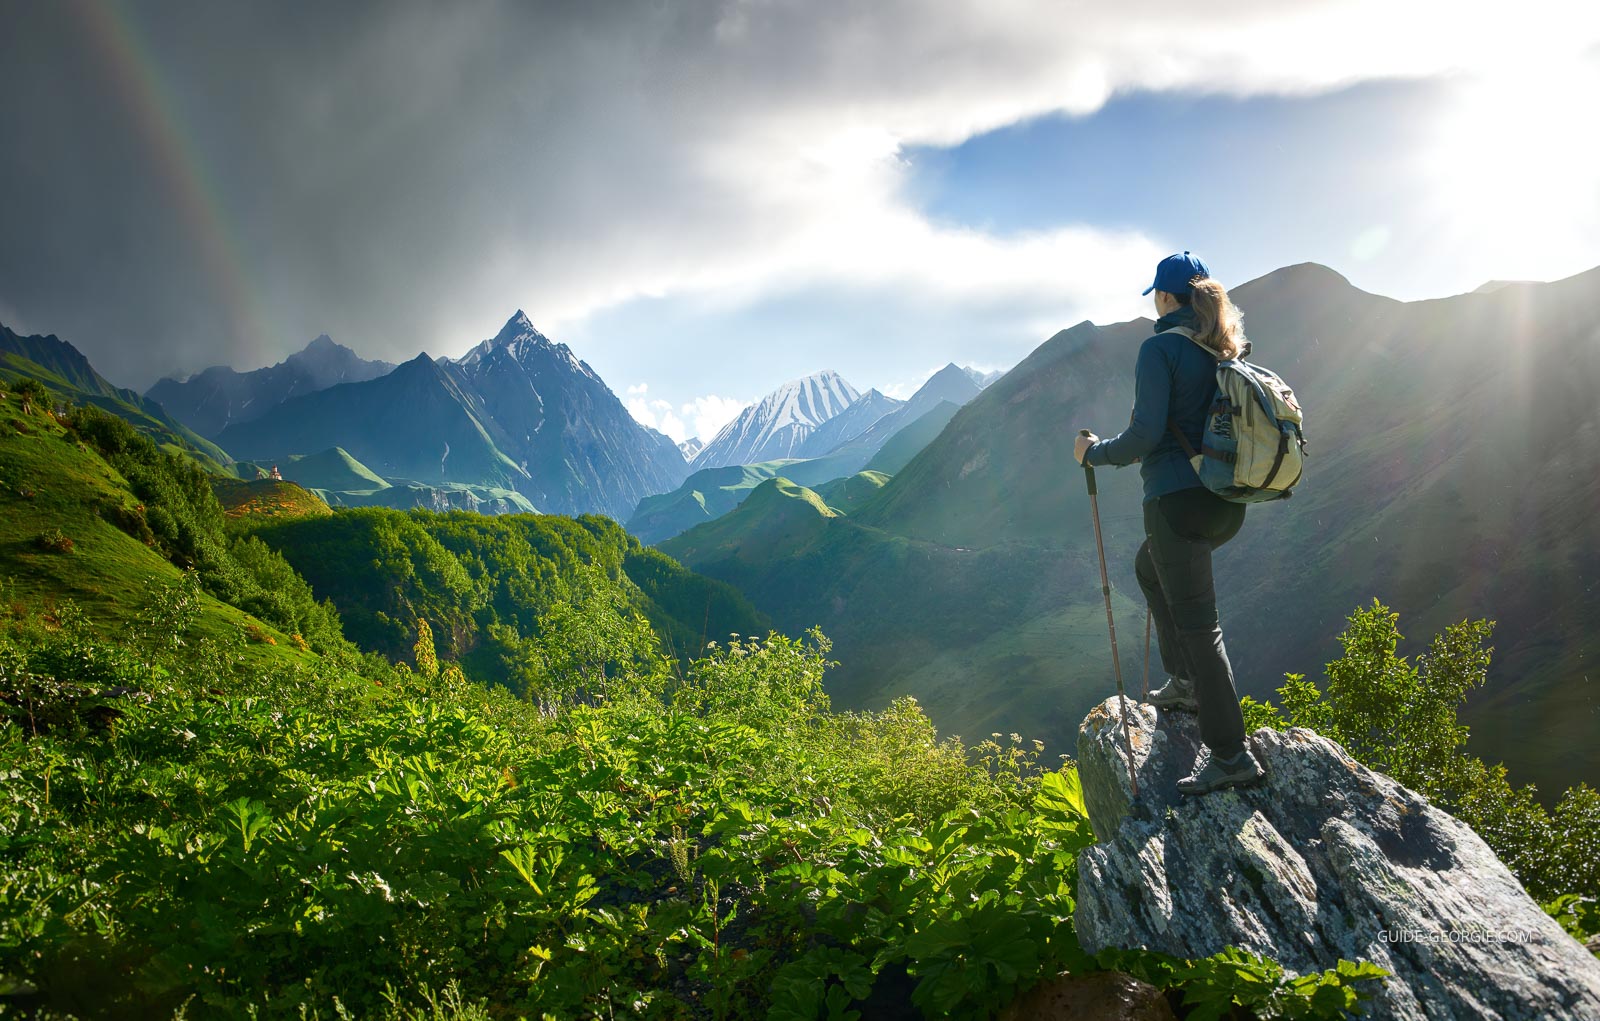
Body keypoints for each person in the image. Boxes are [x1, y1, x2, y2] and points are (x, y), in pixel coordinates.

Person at [1072, 251, 1266, 795]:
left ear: (1164, 296)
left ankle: (1229, 753)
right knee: (1150, 568)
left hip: (1176, 503)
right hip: (1226, 503)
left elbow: (1143, 436)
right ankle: (1183, 682)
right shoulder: (1224, 350)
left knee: (1201, 625)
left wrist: (1092, 453)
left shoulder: (1159, 349)